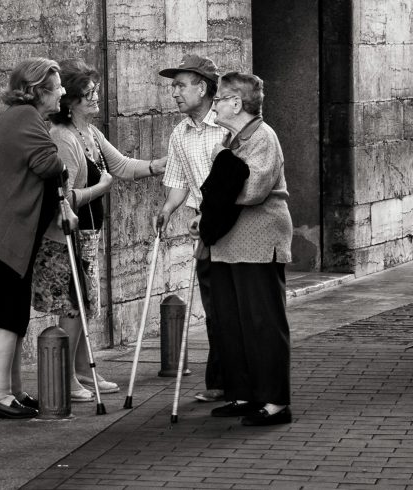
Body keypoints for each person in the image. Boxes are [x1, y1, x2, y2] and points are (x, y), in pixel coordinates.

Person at [160, 71, 294, 426]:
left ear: (236, 103)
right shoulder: (235, 140)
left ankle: (275, 402)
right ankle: (244, 393)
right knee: (232, 324)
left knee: (262, 322)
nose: (214, 105)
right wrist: (204, 219)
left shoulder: (262, 137)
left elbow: (251, 190)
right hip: (228, 243)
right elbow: (222, 192)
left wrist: (221, 160)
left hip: (259, 242)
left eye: (219, 100)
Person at [32, 58, 167, 402]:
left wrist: (158, 165)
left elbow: (120, 165)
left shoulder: (89, 132)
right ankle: (65, 377)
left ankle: (80, 371)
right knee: (75, 305)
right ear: (72, 101)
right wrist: (101, 189)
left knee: (86, 304)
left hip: (88, 235)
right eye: (89, 93)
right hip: (67, 238)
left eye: (95, 92)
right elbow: (64, 197)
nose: (96, 98)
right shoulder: (63, 138)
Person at [0, 57, 77, 419]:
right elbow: (47, 164)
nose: (63, 91)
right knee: (7, 314)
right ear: (39, 90)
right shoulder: (25, 118)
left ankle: (10, 390)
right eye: (57, 86)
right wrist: (63, 168)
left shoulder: (22, 118)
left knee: (10, 316)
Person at [155, 54, 227, 403]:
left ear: (203, 88)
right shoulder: (180, 133)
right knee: (214, 306)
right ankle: (220, 381)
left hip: (235, 224)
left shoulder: (229, 125)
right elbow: (180, 179)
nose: (175, 93)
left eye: (181, 85)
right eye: (173, 86)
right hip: (206, 227)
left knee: (235, 306)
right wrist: (168, 209)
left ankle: (241, 380)